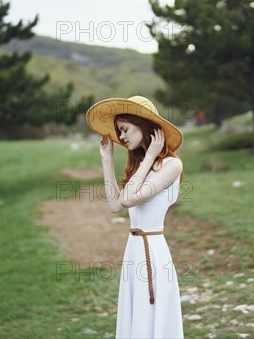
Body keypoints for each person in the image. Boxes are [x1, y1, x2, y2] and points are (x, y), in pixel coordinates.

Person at [86, 95, 185, 339]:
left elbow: (129, 199)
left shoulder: (171, 165)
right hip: (133, 249)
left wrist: (150, 156)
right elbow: (114, 205)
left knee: (151, 315)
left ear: (144, 125)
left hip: (153, 251)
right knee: (135, 315)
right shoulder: (141, 167)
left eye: (125, 129)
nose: (122, 137)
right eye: (120, 131)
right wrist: (107, 159)